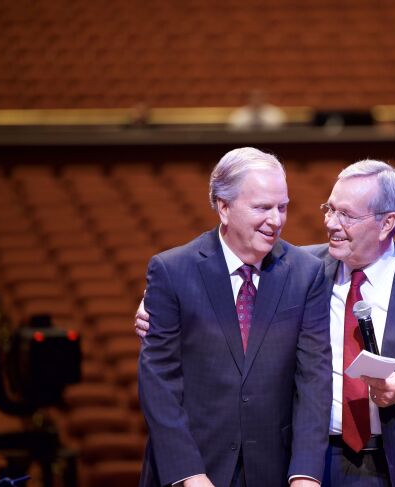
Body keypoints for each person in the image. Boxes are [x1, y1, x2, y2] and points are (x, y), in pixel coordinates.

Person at [137, 159, 395, 486]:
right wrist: (154, 307)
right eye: (329, 209)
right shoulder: (299, 271)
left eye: (346, 216)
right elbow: (215, 285)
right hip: (311, 463)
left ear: (387, 222)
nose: (330, 224)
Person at [137, 147, 332, 487]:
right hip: (192, 467)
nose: (276, 220)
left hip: (274, 469)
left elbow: (313, 380)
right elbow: (159, 382)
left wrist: (306, 473)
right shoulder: (172, 270)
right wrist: (189, 474)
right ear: (223, 208)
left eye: (282, 207)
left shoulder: (306, 273)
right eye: (262, 207)